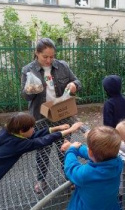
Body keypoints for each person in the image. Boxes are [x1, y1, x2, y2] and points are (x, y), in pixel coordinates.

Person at [0, 112, 82, 210]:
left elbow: (35, 135)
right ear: (21, 131)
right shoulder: (17, 144)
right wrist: (69, 131)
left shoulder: (8, 133)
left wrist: (57, 128)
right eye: (31, 128)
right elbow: (42, 141)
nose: (34, 129)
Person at [21, 38, 82, 192]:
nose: (49, 60)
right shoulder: (28, 70)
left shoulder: (62, 66)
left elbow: (77, 81)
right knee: (42, 149)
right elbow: (26, 97)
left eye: (51, 56)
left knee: (65, 148)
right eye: (45, 57)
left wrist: (75, 85)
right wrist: (31, 90)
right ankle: (41, 180)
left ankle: (69, 178)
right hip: (41, 118)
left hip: (62, 114)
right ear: (37, 53)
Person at [61, 126, 124, 210]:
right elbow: (95, 154)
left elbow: (71, 168)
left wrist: (71, 150)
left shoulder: (87, 174)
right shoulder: (118, 163)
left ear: (90, 152)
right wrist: (76, 147)